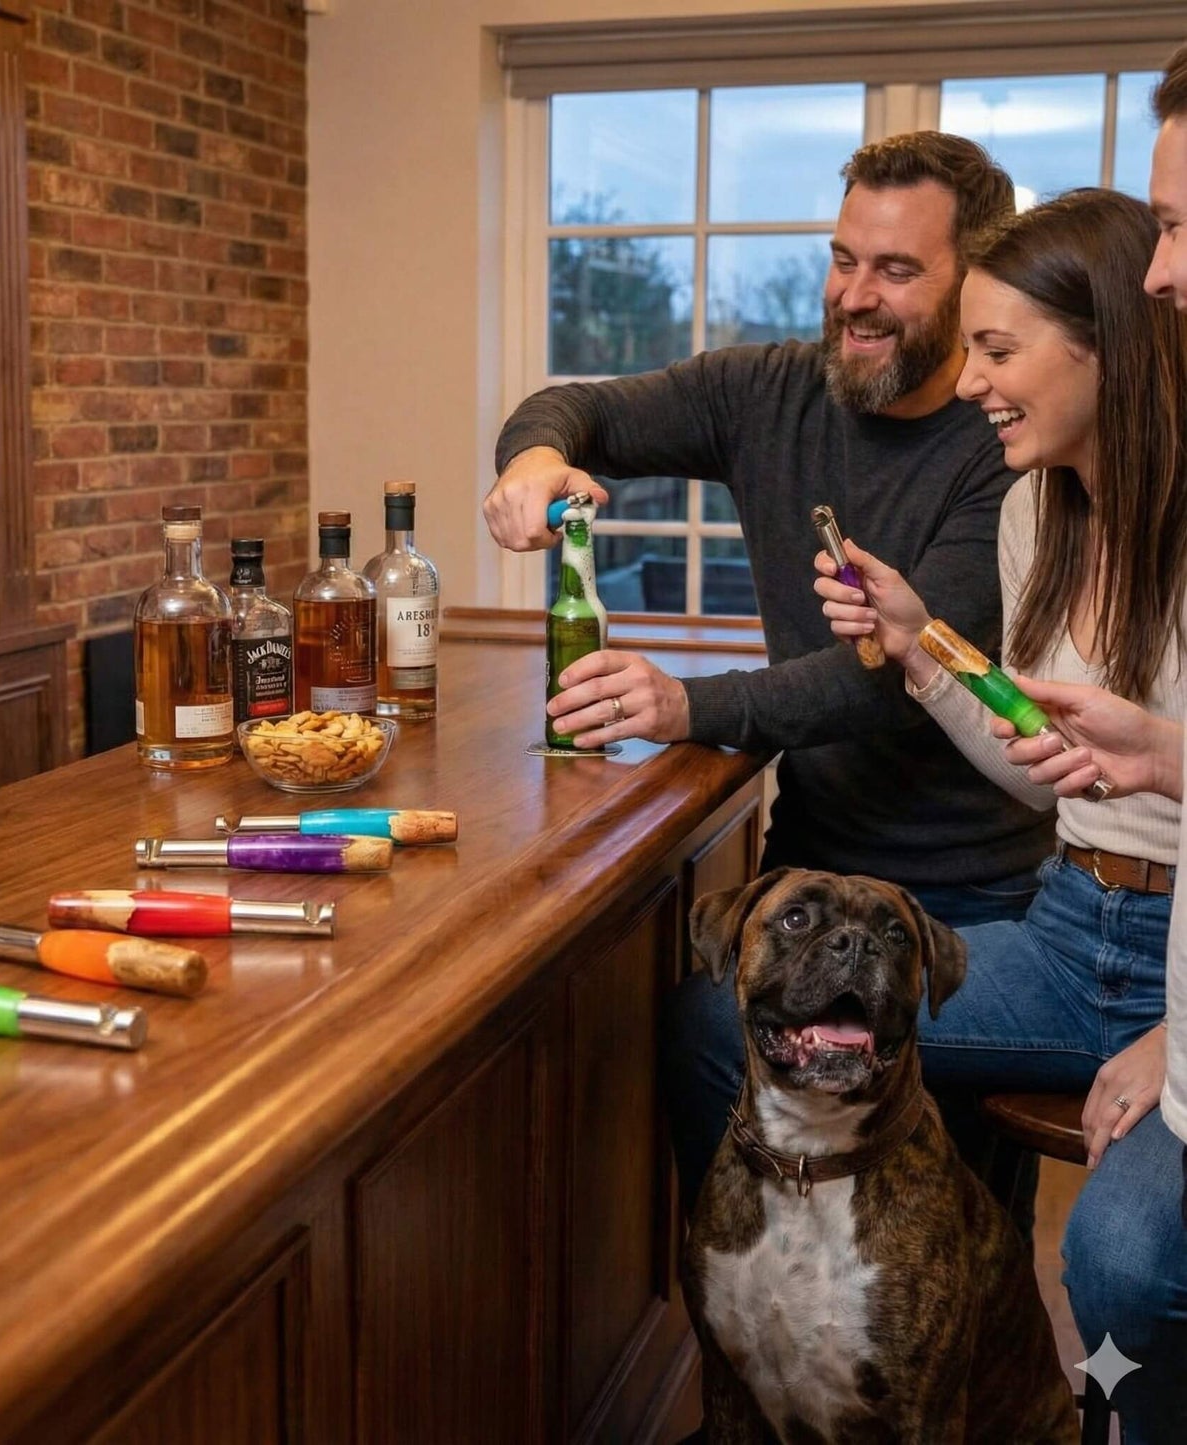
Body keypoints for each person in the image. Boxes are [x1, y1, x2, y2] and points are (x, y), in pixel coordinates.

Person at [489, 131, 1051, 1213]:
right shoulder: (764, 390)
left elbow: (884, 674)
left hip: (976, 896)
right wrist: (533, 459)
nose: (855, 295)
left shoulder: (1001, 443)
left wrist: (685, 703)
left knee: (956, 1234)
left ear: (967, 280)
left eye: (895, 270)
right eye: (843, 259)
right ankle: (746, 1309)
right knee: (720, 1075)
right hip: (816, 863)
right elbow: (576, 408)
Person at [815, 184, 1187, 1445]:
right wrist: (920, 648)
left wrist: (1170, 1036)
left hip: (1172, 959)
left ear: (1106, 347)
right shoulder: (1037, 507)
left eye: (995, 348)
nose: (969, 381)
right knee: (724, 1025)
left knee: (1116, 1254)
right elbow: (1047, 771)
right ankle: (833, 1339)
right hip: (1062, 917)